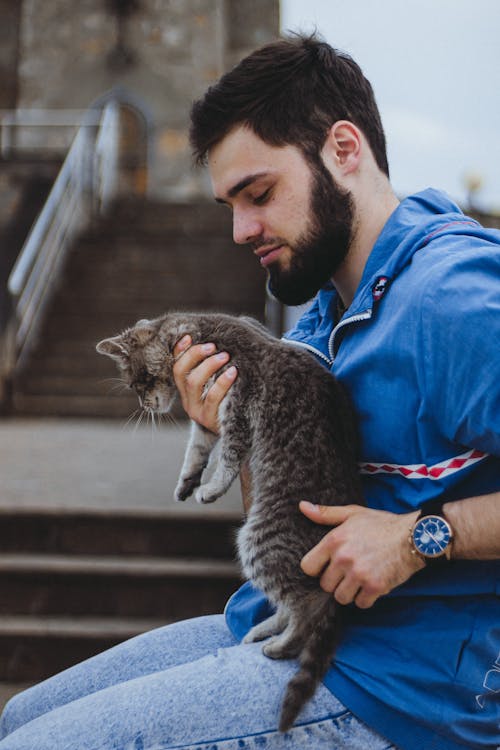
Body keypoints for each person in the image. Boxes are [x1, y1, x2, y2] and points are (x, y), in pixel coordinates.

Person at [1, 32, 499, 750]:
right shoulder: (326, 305)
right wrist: (237, 436)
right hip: (286, 627)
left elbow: (408, 538)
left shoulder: (449, 299)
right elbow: (287, 529)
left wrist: (421, 537)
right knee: (18, 718)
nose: (240, 230)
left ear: (344, 150)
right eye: (228, 204)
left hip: (400, 693)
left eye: (258, 194)